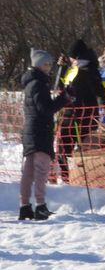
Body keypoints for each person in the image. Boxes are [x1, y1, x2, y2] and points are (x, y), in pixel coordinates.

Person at [55, 40, 105, 182]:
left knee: (86, 149)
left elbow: (99, 89)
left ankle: (88, 178)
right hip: (68, 114)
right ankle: (67, 178)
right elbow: (60, 86)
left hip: (84, 116)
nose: (70, 59)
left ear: (77, 57)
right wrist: (61, 67)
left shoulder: (90, 70)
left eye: (71, 57)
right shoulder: (73, 68)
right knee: (63, 148)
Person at [19, 49, 58, 221]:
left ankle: (25, 206)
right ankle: (40, 206)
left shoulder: (32, 82)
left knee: (28, 172)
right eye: (46, 64)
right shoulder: (38, 84)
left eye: (50, 64)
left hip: (31, 131)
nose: (49, 67)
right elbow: (46, 109)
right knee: (41, 171)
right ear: (38, 65)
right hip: (39, 131)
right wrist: (65, 99)